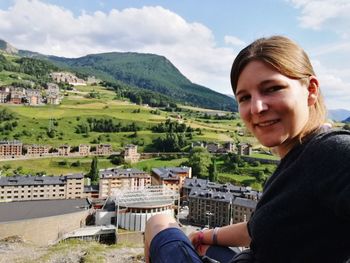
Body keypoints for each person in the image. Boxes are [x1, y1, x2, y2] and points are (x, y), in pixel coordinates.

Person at [144, 35, 350, 263]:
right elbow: (260, 227)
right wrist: (204, 235)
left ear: (310, 90)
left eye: (272, 88)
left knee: (159, 222)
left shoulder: (331, 152)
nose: (257, 107)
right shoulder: (298, 158)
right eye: (244, 97)